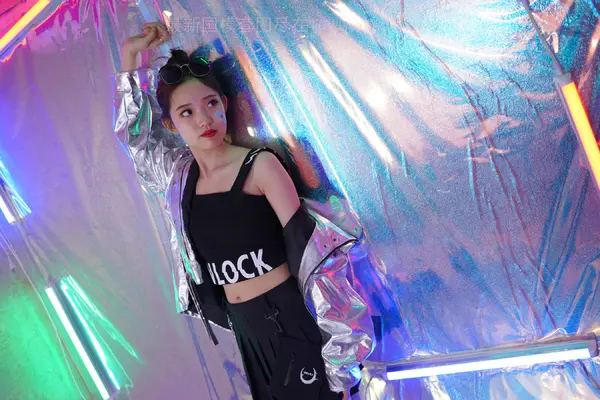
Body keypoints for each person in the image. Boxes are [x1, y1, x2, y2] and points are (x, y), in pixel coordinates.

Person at [113, 21, 375, 399]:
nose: (204, 119)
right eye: (186, 112)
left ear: (225, 104)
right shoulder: (178, 177)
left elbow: (316, 259)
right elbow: (138, 142)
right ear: (169, 123)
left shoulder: (260, 165)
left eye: (211, 104)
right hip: (246, 328)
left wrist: (340, 364)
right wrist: (130, 57)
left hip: (291, 321)